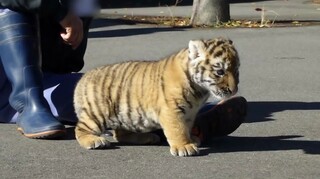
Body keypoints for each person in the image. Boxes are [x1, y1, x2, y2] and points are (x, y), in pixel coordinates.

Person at [0, 0, 247, 143]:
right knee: (11, 6)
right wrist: (60, 12)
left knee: (103, 93)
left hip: (47, 78)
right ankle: (28, 105)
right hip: (8, 85)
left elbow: (69, 61)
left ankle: (179, 120)